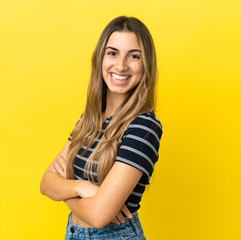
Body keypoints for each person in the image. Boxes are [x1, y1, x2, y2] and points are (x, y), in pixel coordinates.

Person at [40, 16, 163, 240]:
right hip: (74, 233)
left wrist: (66, 191)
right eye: (112, 53)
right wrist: (82, 187)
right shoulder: (90, 119)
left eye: (133, 56)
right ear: (101, 58)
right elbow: (46, 184)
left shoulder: (143, 127)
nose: (121, 65)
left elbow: (98, 216)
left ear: (146, 64)